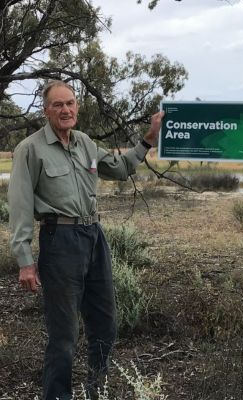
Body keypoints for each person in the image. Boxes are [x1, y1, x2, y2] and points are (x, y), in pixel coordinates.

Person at [8, 80, 163, 400]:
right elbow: (20, 206)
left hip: (94, 236)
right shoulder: (30, 149)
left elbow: (120, 169)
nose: (65, 110)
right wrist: (25, 260)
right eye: (57, 105)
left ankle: (97, 390)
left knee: (105, 324)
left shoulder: (86, 144)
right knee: (64, 335)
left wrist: (148, 139)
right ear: (46, 111)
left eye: (70, 103)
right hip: (60, 240)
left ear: (77, 107)